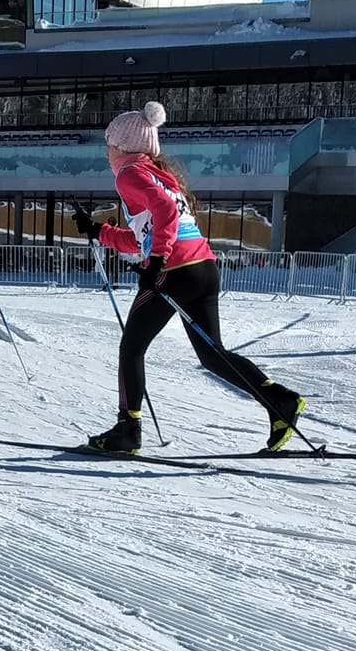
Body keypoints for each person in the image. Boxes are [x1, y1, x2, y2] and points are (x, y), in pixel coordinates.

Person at [73, 102, 305, 455]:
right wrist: (98, 231)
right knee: (212, 355)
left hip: (175, 270)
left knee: (131, 347)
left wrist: (156, 261)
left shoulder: (129, 174)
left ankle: (127, 431)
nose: (106, 153)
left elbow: (164, 216)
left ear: (123, 146)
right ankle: (279, 399)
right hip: (202, 268)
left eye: (109, 145)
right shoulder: (158, 176)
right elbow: (145, 235)